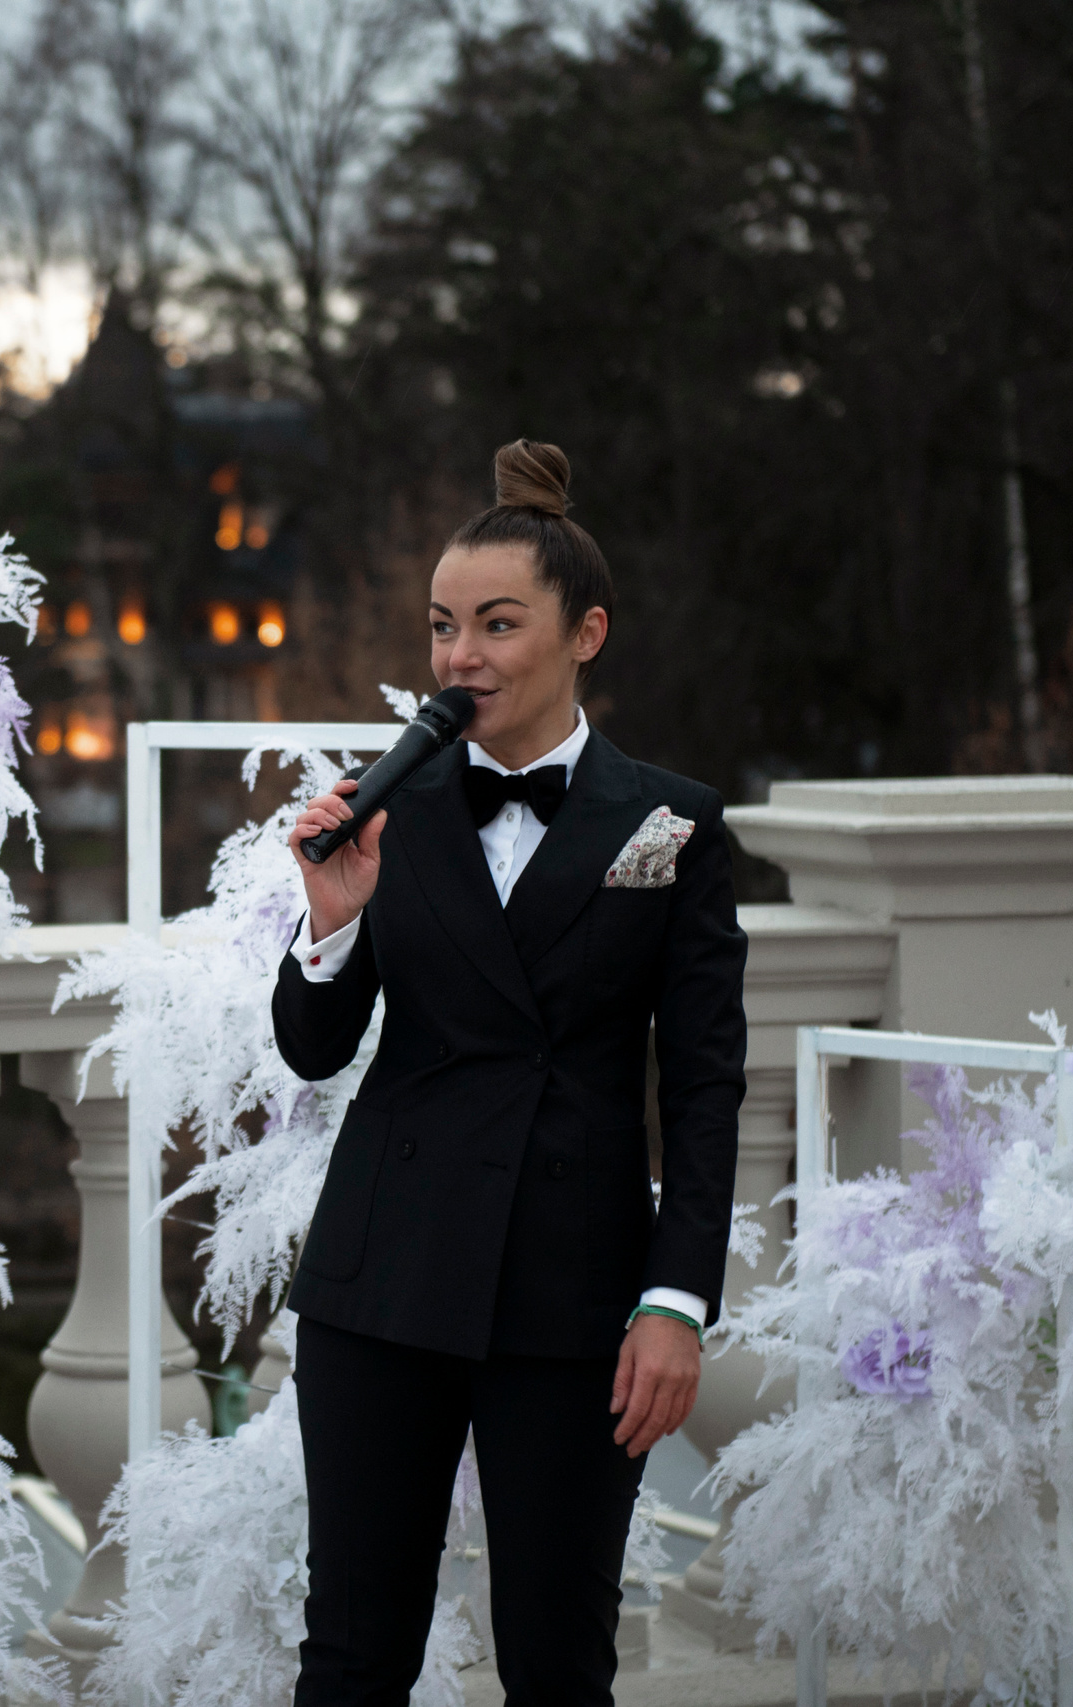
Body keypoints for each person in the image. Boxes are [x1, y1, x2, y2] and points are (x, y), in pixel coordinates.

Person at [276, 440, 747, 1707]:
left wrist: (676, 1301)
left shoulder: (673, 826)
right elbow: (316, 1050)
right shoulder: (395, 811)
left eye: (496, 624)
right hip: (381, 1282)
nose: (458, 658)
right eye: (440, 627)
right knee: (353, 1653)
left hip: (576, 1294)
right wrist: (331, 918)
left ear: (585, 632)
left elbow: (703, 1091)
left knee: (555, 1659)